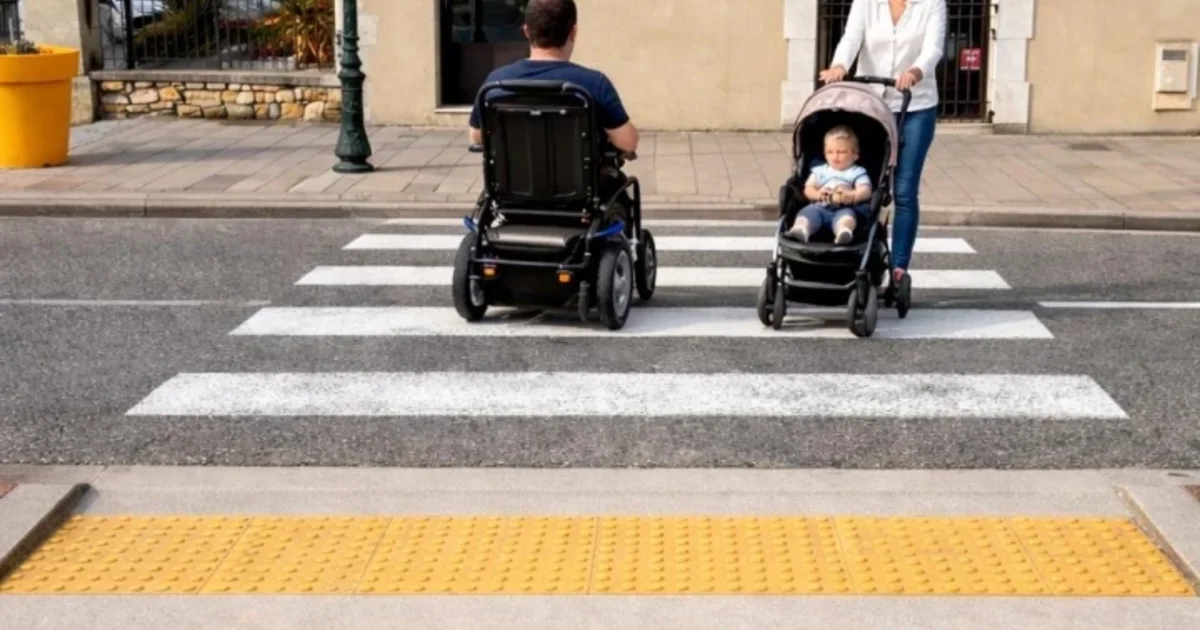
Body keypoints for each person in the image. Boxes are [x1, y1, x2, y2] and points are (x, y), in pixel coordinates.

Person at [818, 0, 946, 284]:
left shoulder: (932, 4)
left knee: (903, 190)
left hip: (916, 107)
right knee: (866, 183)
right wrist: (839, 65)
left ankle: (899, 268)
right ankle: (861, 255)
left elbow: (934, 48)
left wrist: (915, 72)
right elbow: (852, 37)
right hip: (872, 106)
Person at [467, 0, 638, 207]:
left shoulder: (496, 83)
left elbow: (476, 136)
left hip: (514, 193)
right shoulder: (593, 83)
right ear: (573, 32)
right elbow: (628, 142)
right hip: (580, 197)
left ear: (526, 31)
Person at [788, 126, 872, 245]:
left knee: (848, 218)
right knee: (806, 214)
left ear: (855, 155)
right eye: (830, 152)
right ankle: (801, 229)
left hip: (844, 208)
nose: (835, 156)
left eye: (841, 152)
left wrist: (853, 195)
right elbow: (808, 188)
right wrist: (817, 194)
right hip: (819, 207)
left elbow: (866, 189)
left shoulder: (856, 172)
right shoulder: (820, 171)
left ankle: (844, 232)